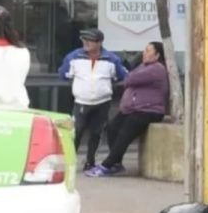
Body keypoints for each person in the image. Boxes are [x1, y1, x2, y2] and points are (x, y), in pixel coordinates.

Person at [87, 42, 170, 177]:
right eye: (145, 50)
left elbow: (130, 78)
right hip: (134, 109)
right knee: (112, 128)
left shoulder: (157, 69)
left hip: (149, 110)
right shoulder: (144, 66)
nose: (144, 53)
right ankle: (116, 163)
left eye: (148, 51)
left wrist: (129, 75)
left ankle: (107, 165)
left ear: (157, 55)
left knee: (124, 134)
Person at [58, 28, 129, 172]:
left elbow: (121, 75)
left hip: (103, 102)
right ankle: (70, 162)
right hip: (81, 102)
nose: (86, 43)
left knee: (96, 134)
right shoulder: (73, 57)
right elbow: (64, 74)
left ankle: (90, 162)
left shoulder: (111, 59)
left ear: (99, 43)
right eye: (84, 39)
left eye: (90, 40)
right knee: (76, 132)